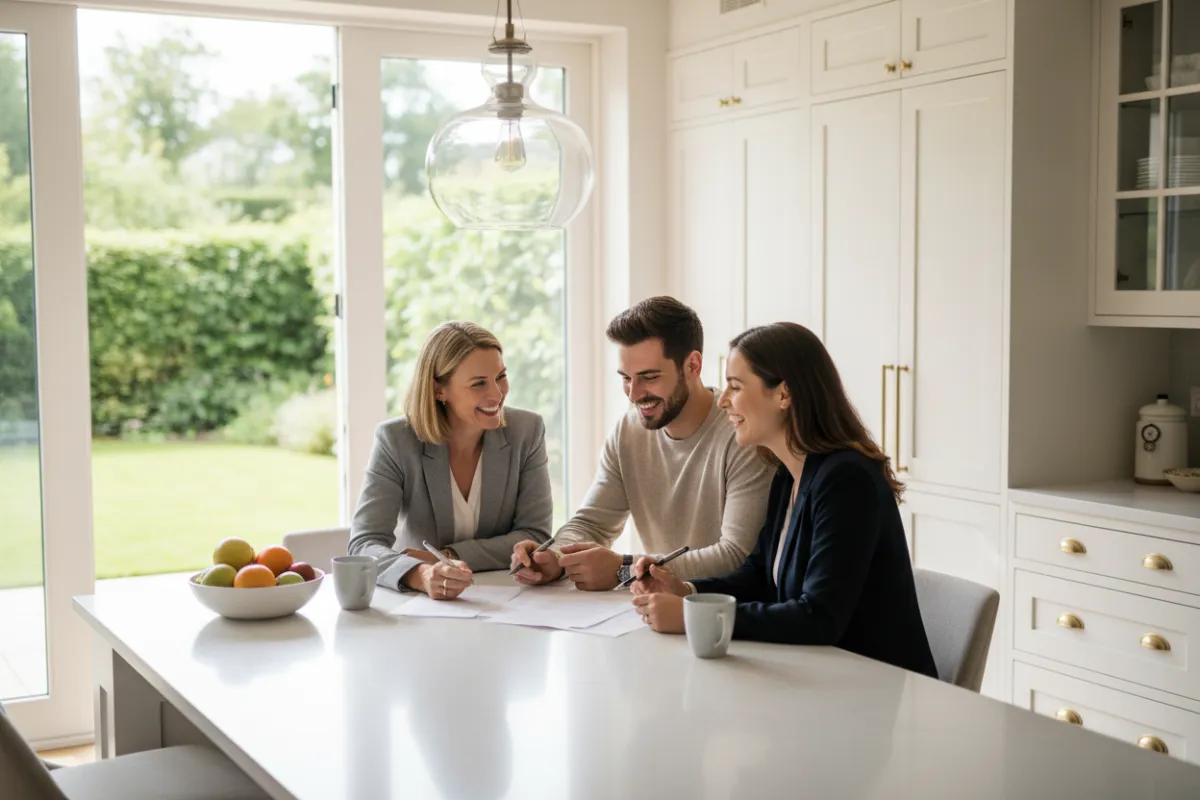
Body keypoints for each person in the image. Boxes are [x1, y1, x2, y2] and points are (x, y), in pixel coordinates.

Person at [630, 322, 938, 679]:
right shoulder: (786, 472)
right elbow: (760, 574)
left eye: (735, 386)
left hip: (875, 691)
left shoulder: (846, 480)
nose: (723, 400)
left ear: (783, 394)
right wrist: (686, 590)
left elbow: (819, 617)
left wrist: (692, 616)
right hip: (819, 677)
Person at [510, 296, 774, 591]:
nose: (634, 394)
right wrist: (555, 557)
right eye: (626, 378)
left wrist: (624, 570)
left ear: (693, 365)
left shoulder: (742, 435)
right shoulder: (628, 430)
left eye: (649, 377)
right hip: (657, 610)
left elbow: (736, 556)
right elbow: (592, 524)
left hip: (723, 614)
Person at [348, 322, 552, 598]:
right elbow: (364, 544)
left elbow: (535, 536)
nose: (497, 393)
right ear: (438, 390)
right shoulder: (396, 440)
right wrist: (420, 574)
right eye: (479, 383)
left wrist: (447, 555)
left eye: (500, 376)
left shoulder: (527, 431)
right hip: (420, 605)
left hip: (506, 601)